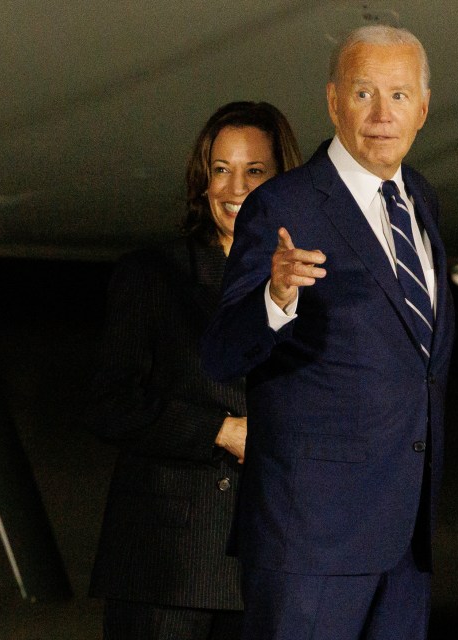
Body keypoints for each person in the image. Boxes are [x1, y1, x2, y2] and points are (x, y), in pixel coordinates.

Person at [200, 25, 454, 640]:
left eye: (398, 95)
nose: (382, 113)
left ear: (423, 107)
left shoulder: (419, 197)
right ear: (334, 101)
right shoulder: (283, 205)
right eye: (364, 93)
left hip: (405, 540)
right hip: (309, 542)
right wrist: (276, 295)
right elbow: (222, 350)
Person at [86, 101, 302, 640]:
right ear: (202, 180)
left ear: (283, 180)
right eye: (221, 170)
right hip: (165, 566)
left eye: (255, 171)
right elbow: (110, 404)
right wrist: (220, 431)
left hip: (271, 564)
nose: (235, 189)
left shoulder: (315, 282)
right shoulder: (152, 275)